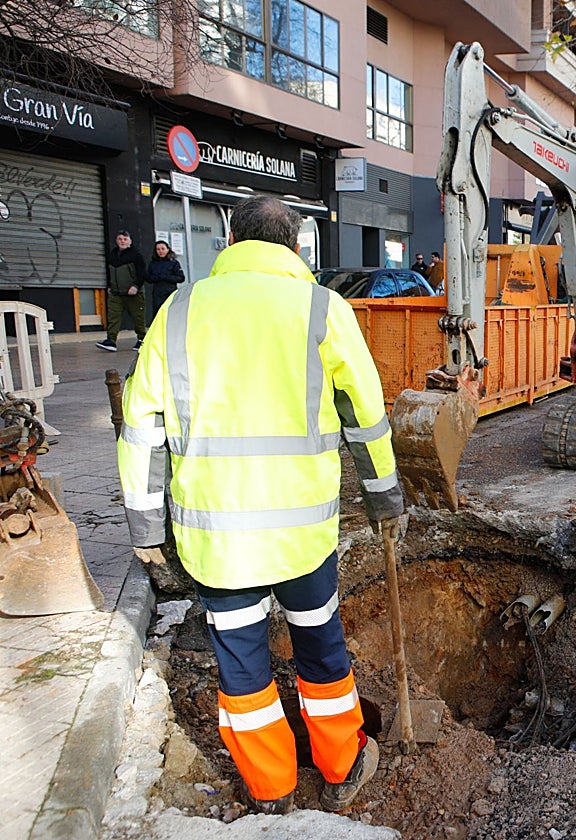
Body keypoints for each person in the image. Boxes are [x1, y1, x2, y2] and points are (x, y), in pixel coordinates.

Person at [117, 196, 405, 815]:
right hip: (302, 534)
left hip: (217, 537)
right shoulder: (323, 309)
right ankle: (340, 764)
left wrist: (145, 527)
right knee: (320, 646)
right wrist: (384, 497)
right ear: (296, 248)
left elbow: (140, 424)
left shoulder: (180, 309)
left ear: (231, 241)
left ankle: (271, 788)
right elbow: (367, 414)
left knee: (242, 662)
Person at [96, 231, 147, 352]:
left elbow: (142, 273)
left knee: (138, 317)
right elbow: (109, 272)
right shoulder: (112, 255)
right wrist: (109, 286)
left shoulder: (136, 255)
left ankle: (142, 340)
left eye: (125, 239)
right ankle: (111, 341)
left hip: (134, 293)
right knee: (113, 317)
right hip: (116, 293)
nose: (122, 241)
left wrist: (136, 286)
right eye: (120, 239)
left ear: (130, 241)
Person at [146, 240, 185, 323]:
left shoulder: (173, 263)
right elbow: (148, 278)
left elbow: (181, 278)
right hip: (157, 292)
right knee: (158, 314)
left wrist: (166, 277)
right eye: (158, 249)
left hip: (170, 291)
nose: (160, 251)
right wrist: (157, 277)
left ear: (168, 249)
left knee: (171, 313)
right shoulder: (153, 263)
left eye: (163, 249)